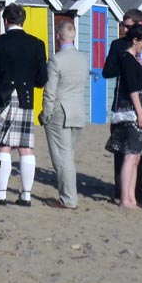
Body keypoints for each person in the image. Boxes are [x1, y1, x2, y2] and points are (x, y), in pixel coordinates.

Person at [0, 3, 48, 207]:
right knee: (25, 147)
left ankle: (1, 194)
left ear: (6, 21)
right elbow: (42, 79)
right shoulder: (37, 44)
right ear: (23, 20)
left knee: (4, 145)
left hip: (2, 95)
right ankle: (26, 196)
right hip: (25, 97)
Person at [102, 8, 142, 203]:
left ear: (140, 24)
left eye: (129, 26)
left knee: (140, 152)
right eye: (124, 26)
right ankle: (121, 192)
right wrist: (125, 62)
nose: (125, 30)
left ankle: (136, 193)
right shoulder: (119, 46)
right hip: (125, 104)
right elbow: (107, 72)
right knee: (122, 150)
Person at [40, 21, 89, 209]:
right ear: (74, 36)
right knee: (69, 155)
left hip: (60, 111)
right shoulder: (84, 59)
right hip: (78, 110)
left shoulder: (56, 60)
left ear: (58, 36)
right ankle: (68, 196)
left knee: (62, 158)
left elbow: (50, 91)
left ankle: (68, 198)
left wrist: (45, 114)